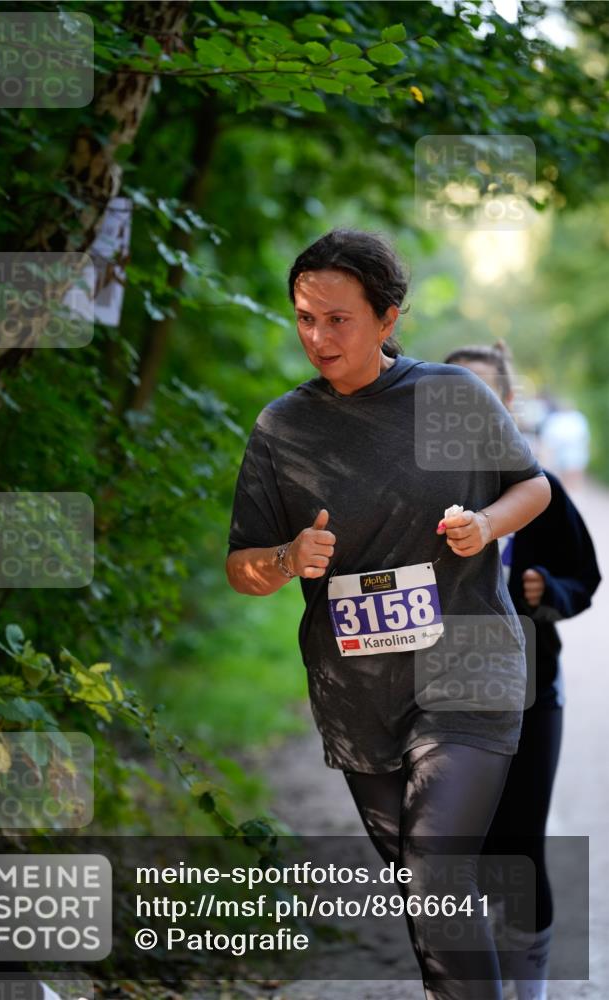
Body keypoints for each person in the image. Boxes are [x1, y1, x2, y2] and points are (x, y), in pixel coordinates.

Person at [225, 229, 551, 999]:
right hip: (355, 693)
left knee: (436, 867)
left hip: (466, 667)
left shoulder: (449, 396)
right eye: (305, 318)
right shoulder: (283, 429)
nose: (318, 337)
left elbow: (530, 486)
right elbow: (242, 568)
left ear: (388, 318)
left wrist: (487, 524)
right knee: (420, 886)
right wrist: (285, 559)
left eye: (338, 319)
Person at [443, 342, 601, 1000]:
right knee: (455, 854)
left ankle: (526, 987)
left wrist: (546, 591)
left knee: (518, 844)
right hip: (442, 698)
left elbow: (583, 576)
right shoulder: (424, 493)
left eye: (482, 400)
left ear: (507, 408)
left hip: (532, 691)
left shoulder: (540, 489)